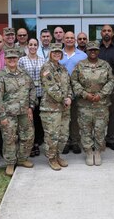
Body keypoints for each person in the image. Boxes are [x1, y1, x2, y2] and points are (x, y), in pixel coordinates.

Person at [0, 49, 37, 176]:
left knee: (28, 136)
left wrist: (31, 107)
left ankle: (22, 159)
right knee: (9, 139)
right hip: (8, 114)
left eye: (14, 58)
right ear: (5, 60)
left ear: (18, 59)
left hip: (24, 112)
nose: (12, 60)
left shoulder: (24, 73)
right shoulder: (0, 76)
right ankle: (10, 163)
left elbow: (32, 89)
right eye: (9, 58)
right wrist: (1, 115)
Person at [71, 41, 114, 166]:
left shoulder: (105, 65)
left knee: (100, 129)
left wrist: (101, 95)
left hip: (101, 103)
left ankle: (98, 152)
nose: (93, 52)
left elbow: (111, 80)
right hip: (84, 104)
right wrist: (85, 94)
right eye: (90, 50)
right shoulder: (80, 65)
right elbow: (74, 81)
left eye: (95, 50)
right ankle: (89, 151)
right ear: (87, 51)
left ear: (98, 51)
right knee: (86, 129)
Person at [40, 43, 73, 171]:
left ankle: (58, 155)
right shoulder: (46, 68)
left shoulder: (63, 69)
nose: (57, 54)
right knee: (52, 135)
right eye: (54, 52)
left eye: (59, 52)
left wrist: (69, 97)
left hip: (64, 107)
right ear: (50, 53)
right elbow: (51, 87)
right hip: (50, 108)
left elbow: (69, 85)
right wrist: (63, 99)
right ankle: (51, 158)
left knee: (63, 134)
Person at [60, 31, 87, 154]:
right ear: (63, 39)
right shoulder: (57, 54)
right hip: (61, 92)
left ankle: (75, 141)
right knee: (64, 118)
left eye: (72, 38)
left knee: (75, 118)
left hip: (77, 91)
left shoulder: (82, 55)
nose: (69, 39)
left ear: (75, 40)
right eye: (67, 38)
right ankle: (65, 142)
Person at [18, 38, 46, 157]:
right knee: (30, 120)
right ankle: (31, 143)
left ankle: (37, 143)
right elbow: (19, 77)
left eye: (35, 45)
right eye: (31, 44)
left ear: (38, 46)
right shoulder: (22, 60)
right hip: (27, 95)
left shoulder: (43, 60)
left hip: (40, 94)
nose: (33, 47)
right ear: (27, 47)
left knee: (39, 120)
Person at [98, 24, 114, 151]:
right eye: (104, 31)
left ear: (112, 33)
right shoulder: (95, 48)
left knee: (113, 114)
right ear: (101, 33)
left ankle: (110, 139)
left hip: (113, 86)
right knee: (99, 114)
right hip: (97, 87)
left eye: (109, 31)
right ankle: (99, 138)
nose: (106, 33)